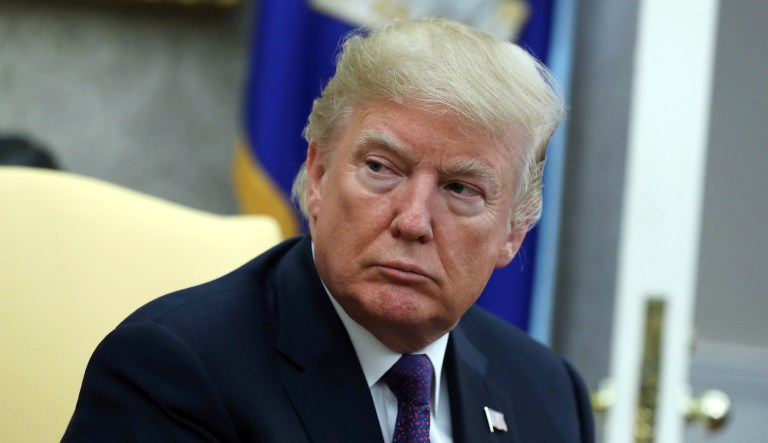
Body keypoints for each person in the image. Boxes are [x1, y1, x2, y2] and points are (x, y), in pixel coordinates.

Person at [63, 18, 594, 442]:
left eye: (460, 189)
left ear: (514, 232)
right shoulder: (174, 370)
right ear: (317, 176)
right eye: (382, 169)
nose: (411, 221)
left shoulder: (547, 394)